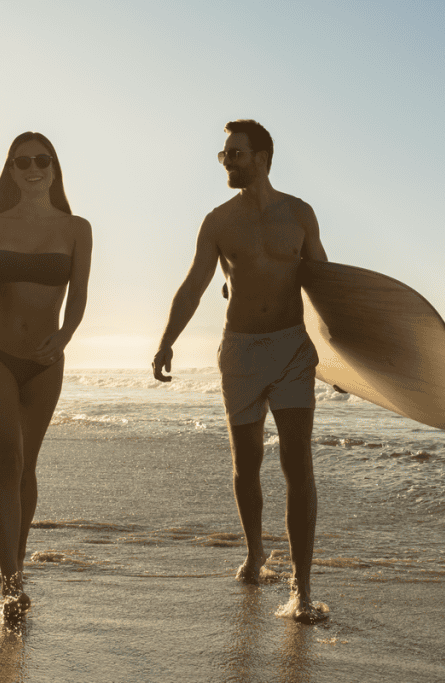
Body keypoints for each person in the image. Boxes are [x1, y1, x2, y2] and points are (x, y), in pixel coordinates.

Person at [152, 120, 328, 623]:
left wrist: (345, 358)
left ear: (262, 156)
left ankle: (303, 585)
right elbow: (193, 286)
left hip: (294, 348)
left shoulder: (299, 213)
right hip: (242, 352)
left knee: (298, 464)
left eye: (235, 153)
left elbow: (323, 282)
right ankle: (255, 552)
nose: (226, 161)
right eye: (224, 154)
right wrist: (167, 341)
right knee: (246, 463)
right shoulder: (218, 221)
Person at [0, 132, 92, 620]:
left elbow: (78, 294)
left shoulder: (77, 228)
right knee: (7, 462)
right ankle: (12, 583)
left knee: (28, 465)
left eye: (42, 160)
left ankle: (14, 565)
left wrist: (64, 336)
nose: (33, 168)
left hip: (45, 360)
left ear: (55, 167)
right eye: (23, 162)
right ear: (11, 170)